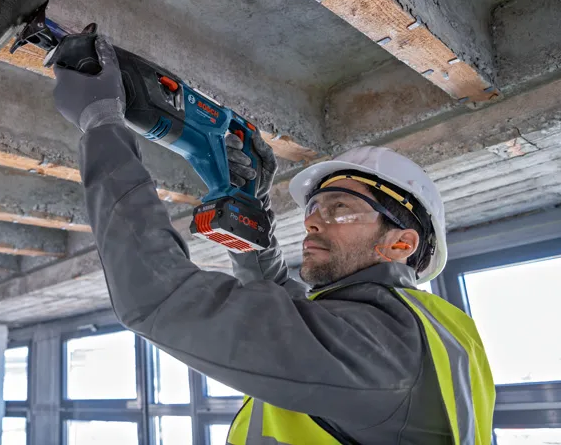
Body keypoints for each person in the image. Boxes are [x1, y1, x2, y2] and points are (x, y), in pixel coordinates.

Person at [51, 34, 496, 444]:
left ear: (401, 244)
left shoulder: (385, 352)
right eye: (314, 209)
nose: (313, 223)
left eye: (340, 210)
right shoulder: (421, 333)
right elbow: (286, 307)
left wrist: (102, 124)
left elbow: (159, 296)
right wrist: (250, 213)